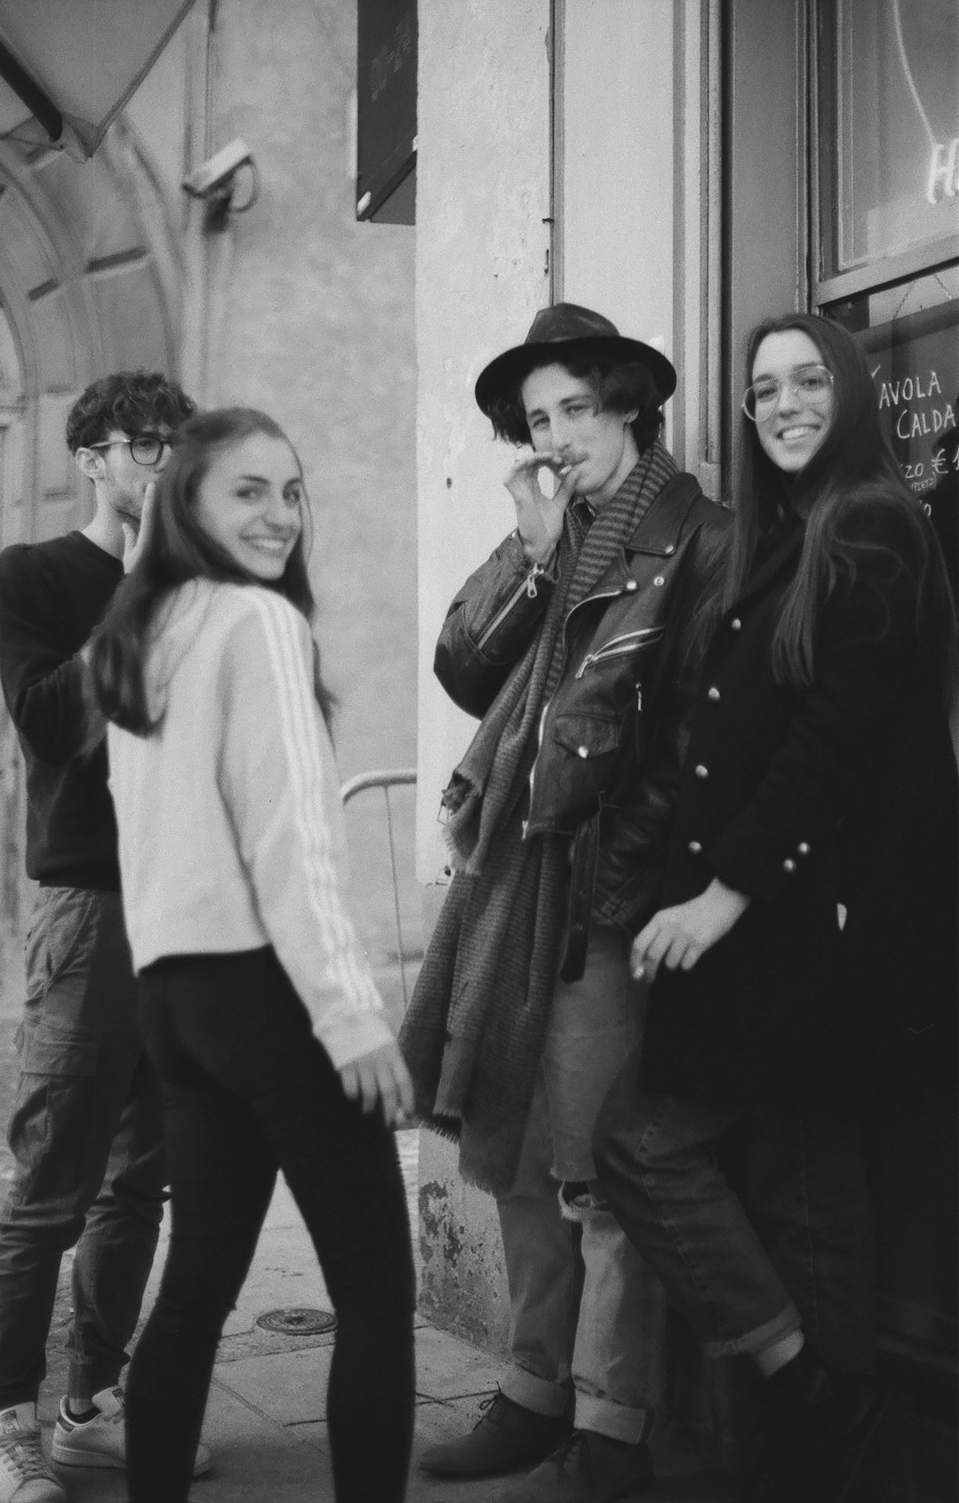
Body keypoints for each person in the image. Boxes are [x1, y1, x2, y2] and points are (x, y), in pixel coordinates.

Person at [592, 311, 959, 1502]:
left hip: (814, 923)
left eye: (809, 380)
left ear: (848, 393)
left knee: (651, 1149)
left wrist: (718, 893)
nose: (786, 402)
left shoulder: (873, 524)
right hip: (791, 920)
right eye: (764, 389)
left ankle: (815, 1402)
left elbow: (832, 742)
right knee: (801, 1183)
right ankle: (822, 1435)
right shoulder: (789, 533)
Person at [401, 304, 728, 1502]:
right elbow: (463, 668)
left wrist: (615, 875)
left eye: (576, 409)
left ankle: (610, 1429)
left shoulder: (698, 538)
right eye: (539, 420)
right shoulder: (565, 532)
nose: (557, 436)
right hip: (516, 895)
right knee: (519, 1156)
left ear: (631, 406)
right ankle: (536, 1390)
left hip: (600, 897)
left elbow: (699, 737)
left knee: (598, 1177)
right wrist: (534, 552)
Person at [87, 407, 417, 1503]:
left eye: (291, 489)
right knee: (375, 1293)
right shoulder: (254, 623)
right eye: (248, 490)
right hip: (267, 990)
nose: (279, 514)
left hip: (175, 999)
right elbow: (291, 843)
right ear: (188, 503)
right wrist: (351, 1013)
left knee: (193, 1294)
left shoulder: (142, 635)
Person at [0, 371, 198, 1503]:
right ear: (93, 457)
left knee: (141, 1179)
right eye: (142, 443)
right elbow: (53, 720)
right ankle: (4, 1419)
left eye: (176, 444)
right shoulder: (35, 575)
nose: (162, 460)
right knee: (52, 1180)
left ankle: (88, 1406)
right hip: (91, 902)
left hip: (187, 907)